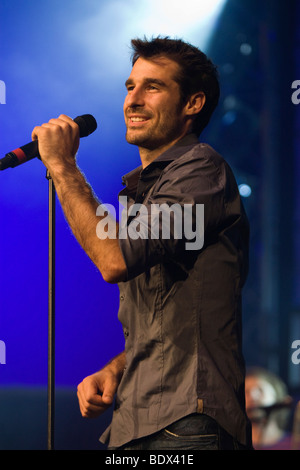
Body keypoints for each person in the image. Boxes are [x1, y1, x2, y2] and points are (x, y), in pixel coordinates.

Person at [32, 36, 253, 450]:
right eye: (130, 86)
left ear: (193, 103)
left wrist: (62, 165)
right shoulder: (147, 194)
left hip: (187, 425)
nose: (133, 99)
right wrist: (120, 368)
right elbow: (170, 320)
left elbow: (113, 259)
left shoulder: (201, 171)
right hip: (141, 422)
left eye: (153, 87)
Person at [245, 367, 293, 450]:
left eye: (260, 390)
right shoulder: (231, 444)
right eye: (246, 392)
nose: (252, 397)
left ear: (278, 396)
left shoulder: (295, 444)